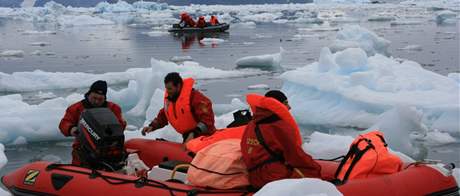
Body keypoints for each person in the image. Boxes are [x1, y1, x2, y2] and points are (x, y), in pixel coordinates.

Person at [241, 90, 322, 189]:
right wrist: (316, 168)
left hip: (254, 177)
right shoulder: (279, 126)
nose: (289, 107)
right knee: (315, 179)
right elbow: (296, 156)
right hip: (274, 176)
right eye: (286, 103)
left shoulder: (252, 124)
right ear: (277, 105)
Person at [59, 80, 127, 166]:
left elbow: (120, 125)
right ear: (88, 94)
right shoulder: (76, 108)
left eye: (100, 99)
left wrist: (120, 125)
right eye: (94, 98)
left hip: (109, 148)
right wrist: (71, 129)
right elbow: (64, 123)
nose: (96, 101)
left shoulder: (113, 108)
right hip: (83, 149)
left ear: (104, 98)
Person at [142, 72, 216, 143]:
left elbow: (208, 121)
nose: (168, 91)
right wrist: (152, 126)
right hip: (189, 138)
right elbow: (164, 115)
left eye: (170, 89)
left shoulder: (195, 98)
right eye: (166, 88)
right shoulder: (171, 100)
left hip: (205, 138)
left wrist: (194, 133)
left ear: (178, 86)